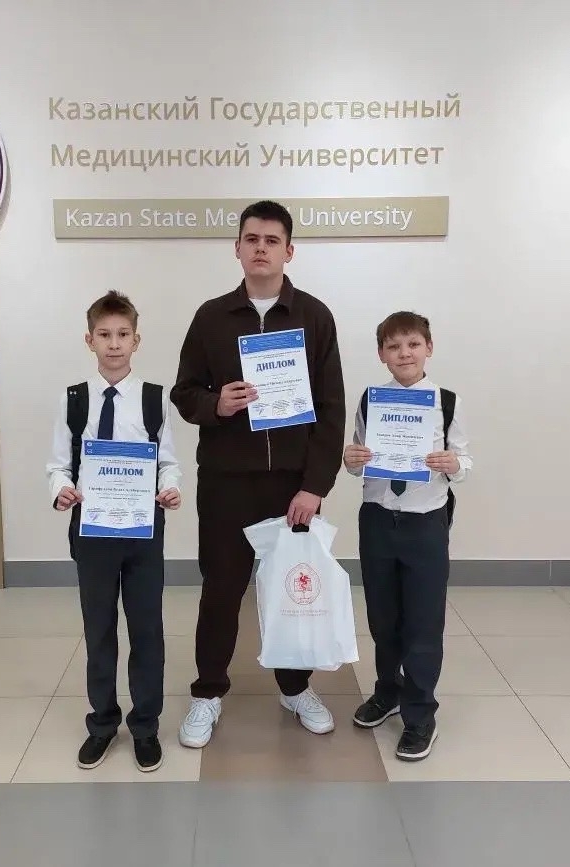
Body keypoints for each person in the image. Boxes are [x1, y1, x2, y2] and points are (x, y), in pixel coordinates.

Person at [170, 200, 346, 748]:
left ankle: (295, 688)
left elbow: (332, 408)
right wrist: (216, 404)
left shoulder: (314, 317)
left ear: (289, 251)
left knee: (293, 590)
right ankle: (207, 693)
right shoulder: (211, 317)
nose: (261, 248)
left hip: (291, 485)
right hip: (226, 481)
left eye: (272, 240)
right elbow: (183, 393)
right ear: (238, 249)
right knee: (221, 590)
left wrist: (315, 486)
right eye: (252, 239)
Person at [46, 290, 182, 772]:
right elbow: (59, 464)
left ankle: (145, 726)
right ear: (90, 340)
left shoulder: (154, 398)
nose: (114, 343)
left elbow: (168, 461)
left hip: (143, 531)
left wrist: (170, 487)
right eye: (104, 335)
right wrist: (62, 490)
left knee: (146, 629)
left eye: (123, 334)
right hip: (93, 531)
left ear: (136, 340)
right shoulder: (74, 399)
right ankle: (102, 722)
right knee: (99, 629)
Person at [342, 311, 472, 761]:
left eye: (413, 344)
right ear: (382, 354)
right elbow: (358, 458)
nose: (404, 353)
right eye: (394, 346)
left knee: (422, 620)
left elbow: (464, 461)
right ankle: (388, 691)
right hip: (378, 519)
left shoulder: (446, 402)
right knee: (383, 616)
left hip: (424, 522)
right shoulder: (371, 399)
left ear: (428, 348)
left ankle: (420, 714)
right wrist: (351, 459)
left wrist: (453, 464)